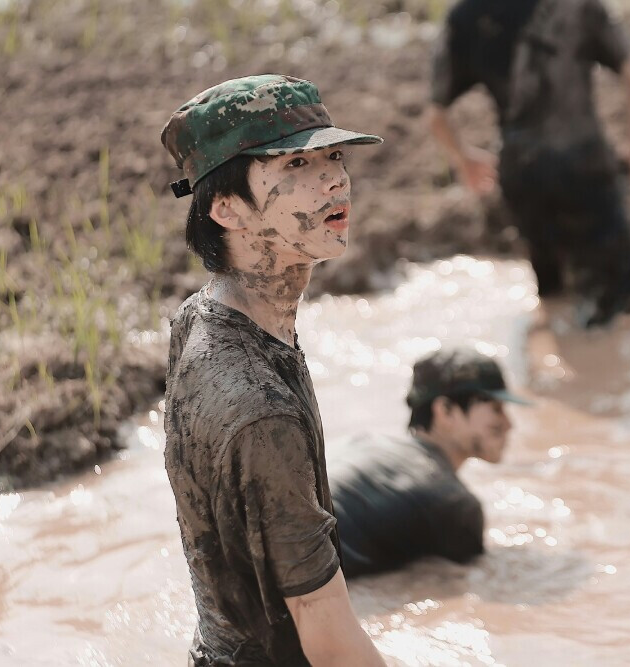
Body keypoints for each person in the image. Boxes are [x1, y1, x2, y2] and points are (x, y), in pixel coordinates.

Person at [161, 75, 386, 666]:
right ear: (226, 208)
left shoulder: (202, 315)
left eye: (333, 155)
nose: (335, 178)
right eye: (295, 165)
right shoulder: (260, 412)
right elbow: (331, 640)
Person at [427, 0, 630, 328]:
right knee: (622, 304)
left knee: (552, 294)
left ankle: (554, 362)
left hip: (523, 174)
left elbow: (436, 114)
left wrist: (463, 159)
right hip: (587, 165)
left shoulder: (466, 14)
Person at [329, 347, 526, 578]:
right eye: (496, 408)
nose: (509, 424)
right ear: (446, 411)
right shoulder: (454, 503)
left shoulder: (364, 441)